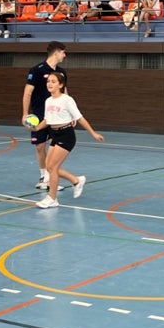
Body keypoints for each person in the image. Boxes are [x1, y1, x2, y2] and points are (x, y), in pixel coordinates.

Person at [31, 72, 104, 209]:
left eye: (53, 81)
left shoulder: (67, 100)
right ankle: (76, 180)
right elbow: (47, 120)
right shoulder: (48, 101)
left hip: (66, 135)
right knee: (50, 167)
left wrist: (93, 133)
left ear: (61, 85)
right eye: (48, 81)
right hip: (54, 134)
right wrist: (36, 128)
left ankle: (52, 198)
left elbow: (80, 118)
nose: (50, 84)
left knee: (52, 167)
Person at [22, 42, 67, 191]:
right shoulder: (36, 70)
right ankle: (44, 177)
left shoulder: (62, 72)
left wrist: (70, 114)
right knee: (40, 146)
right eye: (63, 53)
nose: (64, 56)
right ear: (56, 53)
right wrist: (24, 114)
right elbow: (27, 93)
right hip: (39, 115)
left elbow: (65, 94)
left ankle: (51, 178)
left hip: (57, 116)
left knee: (55, 146)